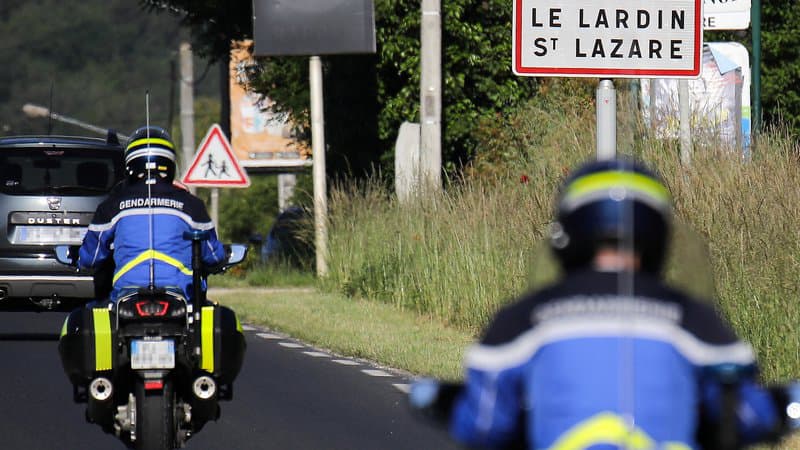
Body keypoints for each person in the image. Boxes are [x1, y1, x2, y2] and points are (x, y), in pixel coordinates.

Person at [412, 158, 799, 449]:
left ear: (566, 235)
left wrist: (444, 401)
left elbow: (484, 424)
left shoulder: (522, 322)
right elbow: (748, 414)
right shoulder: (695, 321)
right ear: (659, 236)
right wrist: (783, 403)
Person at [78, 125, 226, 303]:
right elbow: (214, 257)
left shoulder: (111, 206)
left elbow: (90, 258)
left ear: (129, 166)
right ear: (170, 165)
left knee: (85, 314)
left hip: (124, 299)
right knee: (219, 315)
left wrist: (76, 257)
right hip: (183, 299)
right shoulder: (192, 205)